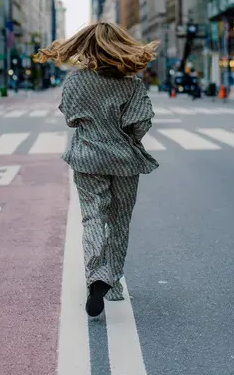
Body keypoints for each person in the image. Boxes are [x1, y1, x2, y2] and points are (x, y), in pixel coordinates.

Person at [34, 21, 159, 318]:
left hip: (88, 157)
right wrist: (125, 137)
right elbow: (140, 124)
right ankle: (111, 282)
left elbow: (71, 119)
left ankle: (95, 276)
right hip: (125, 161)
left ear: (86, 46)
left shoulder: (76, 82)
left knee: (92, 217)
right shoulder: (131, 84)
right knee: (119, 221)